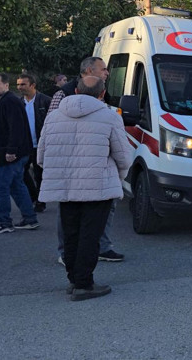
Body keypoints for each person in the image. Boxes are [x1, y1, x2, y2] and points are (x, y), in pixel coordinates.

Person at [37, 76, 132, 301]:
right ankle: (84, 283)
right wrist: (119, 176)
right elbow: (123, 157)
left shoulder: (54, 117)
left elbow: (41, 156)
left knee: (70, 234)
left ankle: (74, 279)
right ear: (102, 93)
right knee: (91, 235)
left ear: (76, 91)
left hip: (65, 186)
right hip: (98, 186)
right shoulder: (110, 117)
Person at [49, 56, 124, 263]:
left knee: (104, 211)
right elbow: (52, 131)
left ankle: (101, 247)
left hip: (98, 165)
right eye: (104, 69)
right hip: (71, 165)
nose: (107, 73)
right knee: (69, 213)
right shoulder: (62, 94)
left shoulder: (104, 93)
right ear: (90, 70)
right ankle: (67, 253)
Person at [0, 72, 39, 235]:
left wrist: (11, 150)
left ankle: (4, 222)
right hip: (9, 153)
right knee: (16, 185)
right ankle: (30, 219)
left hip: (7, 155)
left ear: (6, 85)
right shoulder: (4, 101)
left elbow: (17, 127)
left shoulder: (10, 101)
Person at [16, 74, 51, 213]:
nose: (19, 87)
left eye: (23, 84)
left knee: (39, 174)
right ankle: (33, 196)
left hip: (40, 144)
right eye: (18, 84)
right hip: (24, 145)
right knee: (21, 172)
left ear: (33, 85)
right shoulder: (18, 102)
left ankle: (41, 201)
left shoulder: (45, 101)